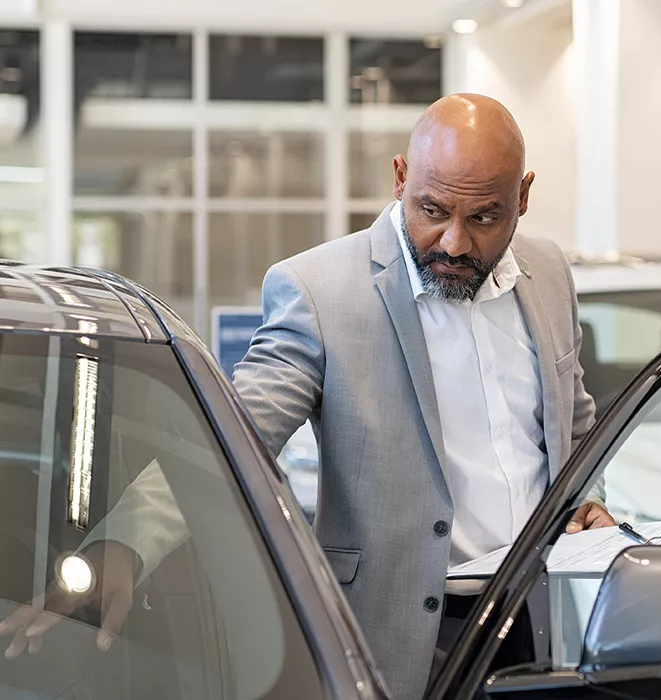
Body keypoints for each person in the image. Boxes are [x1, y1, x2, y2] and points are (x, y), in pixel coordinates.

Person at [0, 94, 615, 699]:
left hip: (540, 619)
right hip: (407, 636)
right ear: (400, 178)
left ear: (523, 197)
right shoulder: (320, 290)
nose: (454, 242)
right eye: (433, 210)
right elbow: (237, 437)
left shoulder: (549, 273)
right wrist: (123, 544)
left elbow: (575, 422)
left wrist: (589, 501)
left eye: (484, 218)